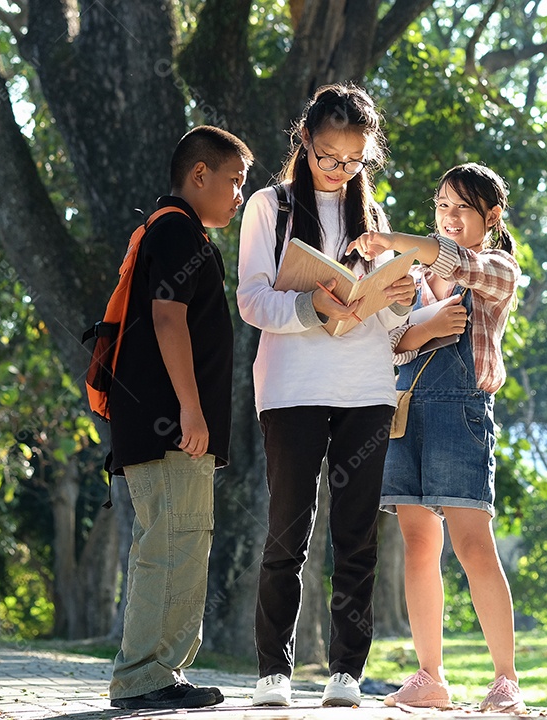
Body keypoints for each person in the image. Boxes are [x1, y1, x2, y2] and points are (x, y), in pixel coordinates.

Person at [237, 83, 415, 708]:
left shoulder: (374, 218)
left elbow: (388, 322)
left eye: (354, 160)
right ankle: (273, 672)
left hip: (367, 386)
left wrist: (401, 299)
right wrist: (311, 306)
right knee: (288, 533)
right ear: (305, 141)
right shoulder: (270, 206)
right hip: (291, 388)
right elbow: (252, 300)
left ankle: (346, 673)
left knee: (357, 536)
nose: (340, 170)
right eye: (328, 157)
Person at [347, 163, 525, 713]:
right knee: (418, 544)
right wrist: (424, 327)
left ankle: (505, 680)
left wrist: (390, 242)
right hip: (405, 412)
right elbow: (389, 341)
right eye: (442, 205)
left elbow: (457, 261)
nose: (449, 216)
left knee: (473, 545)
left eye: (462, 207)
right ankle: (430, 676)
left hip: (461, 413)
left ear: (491, 217)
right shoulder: (416, 278)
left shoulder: (497, 269)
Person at [107, 125, 253, 710]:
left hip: (167, 428)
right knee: (172, 546)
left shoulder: (178, 231)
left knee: (174, 543)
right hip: (170, 427)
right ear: (199, 174)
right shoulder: (175, 230)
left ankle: (157, 674)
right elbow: (168, 319)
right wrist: (192, 411)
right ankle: (145, 677)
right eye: (234, 181)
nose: (239, 195)